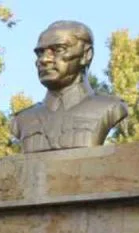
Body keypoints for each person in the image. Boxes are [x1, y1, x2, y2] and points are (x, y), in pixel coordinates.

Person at [10, 20, 128, 153]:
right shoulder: (22, 119)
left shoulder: (110, 108)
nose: (44, 60)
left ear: (86, 55)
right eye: (40, 53)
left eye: (58, 50)